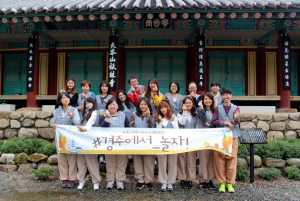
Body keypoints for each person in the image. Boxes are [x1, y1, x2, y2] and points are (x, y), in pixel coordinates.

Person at [212, 87, 240, 193]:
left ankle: (230, 183)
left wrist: (236, 119)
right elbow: (214, 121)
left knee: (232, 161)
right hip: (220, 137)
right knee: (219, 161)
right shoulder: (218, 108)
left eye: (228, 94)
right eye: (224, 95)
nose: (226, 96)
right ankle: (222, 183)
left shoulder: (236, 108)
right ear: (221, 97)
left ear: (231, 96)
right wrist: (226, 123)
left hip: (232, 137)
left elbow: (237, 121)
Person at [100, 98, 129, 190]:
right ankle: (110, 180)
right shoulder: (104, 115)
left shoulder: (123, 115)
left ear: (118, 106)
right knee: (110, 162)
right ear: (107, 106)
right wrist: (107, 117)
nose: (112, 106)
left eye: (114, 104)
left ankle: (120, 180)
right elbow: (103, 128)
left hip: (122, 143)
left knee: (121, 162)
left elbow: (127, 128)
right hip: (109, 143)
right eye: (110, 105)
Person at [52, 92, 80, 188]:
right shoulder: (56, 111)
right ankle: (64, 178)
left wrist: (72, 116)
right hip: (59, 138)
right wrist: (54, 126)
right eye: (63, 98)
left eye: (67, 98)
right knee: (61, 158)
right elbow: (54, 123)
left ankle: (72, 179)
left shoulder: (74, 110)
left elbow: (78, 123)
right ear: (60, 100)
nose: (65, 100)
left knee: (72, 159)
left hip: (71, 138)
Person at [129, 97, 156, 190]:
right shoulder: (134, 114)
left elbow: (152, 128)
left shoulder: (152, 115)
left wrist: (148, 116)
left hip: (148, 143)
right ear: (138, 105)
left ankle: (148, 180)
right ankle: (140, 180)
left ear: (148, 105)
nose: (143, 106)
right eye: (141, 104)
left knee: (149, 163)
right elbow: (131, 128)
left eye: (145, 104)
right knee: (137, 162)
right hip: (136, 143)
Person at [76, 97, 101, 190]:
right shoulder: (83, 112)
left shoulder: (95, 112)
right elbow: (77, 122)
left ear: (93, 103)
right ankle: (81, 181)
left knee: (92, 162)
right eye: (86, 103)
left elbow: (91, 121)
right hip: (81, 140)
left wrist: (85, 129)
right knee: (81, 161)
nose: (88, 105)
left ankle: (96, 181)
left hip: (91, 140)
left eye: (89, 103)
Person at [156, 101, 178, 191]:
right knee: (162, 163)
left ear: (168, 108)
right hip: (162, 144)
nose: (163, 109)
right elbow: (157, 132)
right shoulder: (158, 119)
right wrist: (160, 122)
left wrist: (172, 121)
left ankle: (170, 182)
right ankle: (163, 182)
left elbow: (177, 131)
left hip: (172, 144)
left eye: (165, 107)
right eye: (161, 108)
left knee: (172, 163)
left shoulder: (173, 117)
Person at [197, 93, 217, 190]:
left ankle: (210, 179)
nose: (207, 101)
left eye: (209, 99)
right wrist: (201, 107)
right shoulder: (200, 110)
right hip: (203, 138)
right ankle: (203, 180)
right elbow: (204, 120)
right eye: (205, 99)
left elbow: (216, 124)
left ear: (212, 101)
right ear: (202, 101)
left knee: (211, 160)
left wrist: (210, 125)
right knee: (203, 160)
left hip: (213, 138)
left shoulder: (215, 111)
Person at [177, 96, 198, 189]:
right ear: (183, 105)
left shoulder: (196, 114)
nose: (188, 104)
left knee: (191, 159)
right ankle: (182, 178)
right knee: (181, 159)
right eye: (186, 103)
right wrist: (185, 112)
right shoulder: (179, 114)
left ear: (193, 103)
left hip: (192, 140)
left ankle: (190, 179)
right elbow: (182, 122)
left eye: (190, 102)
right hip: (182, 140)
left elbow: (197, 127)